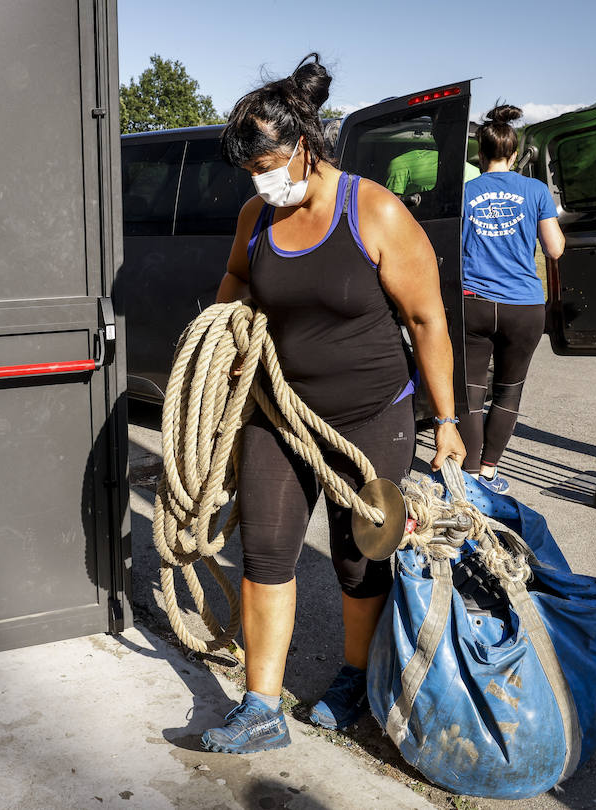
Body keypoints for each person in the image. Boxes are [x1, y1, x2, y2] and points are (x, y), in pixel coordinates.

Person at [200, 53, 466, 754]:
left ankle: (356, 679)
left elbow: (427, 320)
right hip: (280, 414)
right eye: (251, 168)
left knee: (359, 560)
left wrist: (447, 421)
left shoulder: (374, 210)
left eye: (268, 162)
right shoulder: (256, 216)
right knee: (265, 553)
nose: (260, 178)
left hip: (371, 417)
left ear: (308, 146)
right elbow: (234, 277)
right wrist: (218, 336)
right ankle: (260, 707)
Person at [456, 104, 565, 494]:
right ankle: (488, 471)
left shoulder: (464, 192)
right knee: (508, 390)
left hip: (474, 304)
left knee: (470, 392)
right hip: (523, 306)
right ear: (514, 154)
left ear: (479, 154)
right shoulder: (534, 190)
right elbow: (554, 249)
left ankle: (467, 473)